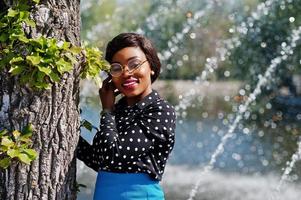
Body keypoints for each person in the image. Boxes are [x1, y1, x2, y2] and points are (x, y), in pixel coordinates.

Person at [77, 33, 176, 200]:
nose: (126, 73)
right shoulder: (119, 109)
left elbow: (114, 155)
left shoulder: (160, 111)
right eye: (117, 68)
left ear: (151, 66)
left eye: (134, 64)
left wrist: (107, 111)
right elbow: (98, 160)